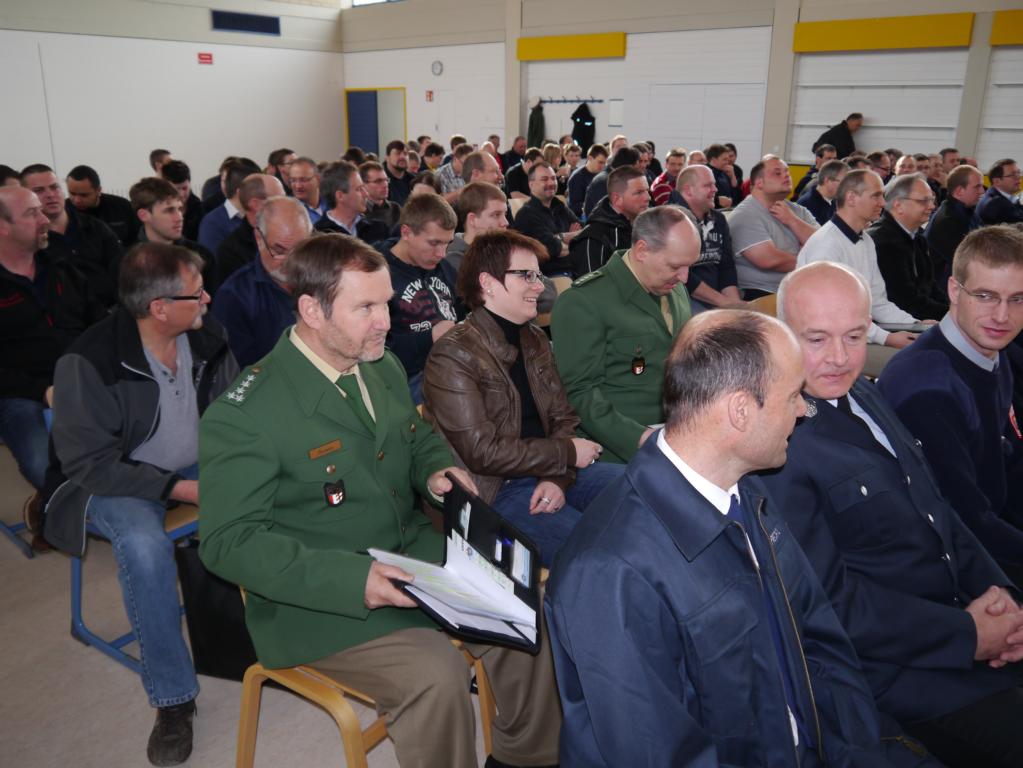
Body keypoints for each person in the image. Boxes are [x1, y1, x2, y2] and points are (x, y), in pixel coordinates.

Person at [198, 233, 562, 768]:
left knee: (527, 608)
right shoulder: (246, 414)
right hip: (320, 597)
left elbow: (416, 438)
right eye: (365, 308)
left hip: (407, 552)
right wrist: (354, 580)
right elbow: (228, 542)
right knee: (435, 676)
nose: (385, 322)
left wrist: (435, 469)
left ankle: (525, 759)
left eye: (386, 303)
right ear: (312, 311)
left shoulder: (379, 367)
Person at [548, 308, 903, 768]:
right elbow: (659, 755)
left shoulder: (747, 491)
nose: (803, 409)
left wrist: (858, 752)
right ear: (740, 411)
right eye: (793, 396)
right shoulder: (609, 571)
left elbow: (821, 640)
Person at [760, 260, 1023, 768]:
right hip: (900, 675)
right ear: (782, 333)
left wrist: (1003, 600)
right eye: (816, 339)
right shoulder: (778, 447)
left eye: (854, 336)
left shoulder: (863, 393)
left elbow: (938, 511)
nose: (839, 358)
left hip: (962, 623)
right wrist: (969, 636)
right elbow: (830, 604)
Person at [45, 242, 238, 766]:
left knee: (275, 491)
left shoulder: (208, 337)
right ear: (159, 307)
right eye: (196, 293)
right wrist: (181, 489)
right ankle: (174, 700)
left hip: (194, 466)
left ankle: (266, 634)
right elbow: (89, 464)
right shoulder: (88, 360)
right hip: (111, 481)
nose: (207, 299)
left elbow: (236, 414)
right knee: (146, 548)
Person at [424, 229, 623, 566]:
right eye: (526, 276)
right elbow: (483, 453)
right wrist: (565, 454)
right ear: (488, 283)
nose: (539, 286)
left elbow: (563, 417)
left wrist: (557, 476)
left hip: (551, 470)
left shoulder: (534, 338)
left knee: (647, 491)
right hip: (495, 490)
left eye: (538, 276)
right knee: (595, 555)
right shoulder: (452, 355)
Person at [880, 225, 1023, 587]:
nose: (1002, 316)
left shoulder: (990, 350)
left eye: (1018, 299)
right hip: (952, 564)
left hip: (991, 530)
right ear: (954, 291)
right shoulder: (928, 391)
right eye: (986, 296)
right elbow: (964, 522)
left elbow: (1008, 457)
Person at [551, 206, 699, 464]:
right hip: (620, 449)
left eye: (689, 266)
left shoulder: (674, 289)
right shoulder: (584, 302)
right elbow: (579, 393)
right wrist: (640, 438)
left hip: (680, 434)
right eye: (675, 266)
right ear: (642, 251)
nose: (684, 278)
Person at [0, 186, 105, 526]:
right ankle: (74, 509)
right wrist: (41, 391)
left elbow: (99, 325)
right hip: (19, 395)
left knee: (141, 432)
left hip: (80, 378)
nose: (45, 219)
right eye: (32, 213)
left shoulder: (62, 267)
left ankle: (64, 507)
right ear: (3, 226)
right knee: (41, 460)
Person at [798, 169, 926, 370]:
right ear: (851, 198)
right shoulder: (827, 246)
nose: (883, 203)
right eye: (876, 196)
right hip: (823, 345)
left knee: (927, 346)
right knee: (916, 361)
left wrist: (916, 325)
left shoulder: (865, 240)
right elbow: (834, 314)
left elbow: (878, 302)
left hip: (852, 335)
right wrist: (887, 338)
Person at [377, 194, 462, 402]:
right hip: (407, 376)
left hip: (451, 364)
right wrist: (429, 337)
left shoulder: (444, 268)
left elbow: (464, 311)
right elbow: (376, 351)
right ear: (406, 232)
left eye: (447, 243)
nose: (442, 253)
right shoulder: (377, 274)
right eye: (434, 243)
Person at [213, 196, 311, 367]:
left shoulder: (325, 278)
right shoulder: (234, 297)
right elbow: (239, 372)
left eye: (300, 250)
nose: (291, 261)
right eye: (279, 251)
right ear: (259, 239)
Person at [21, 163, 123, 307]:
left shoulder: (95, 227)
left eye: (54, 187)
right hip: (65, 316)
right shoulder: (29, 241)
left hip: (112, 308)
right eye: (39, 190)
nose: (50, 195)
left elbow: (122, 270)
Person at [729, 155, 818, 298]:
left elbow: (822, 244)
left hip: (801, 289)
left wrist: (792, 220)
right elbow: (770, 260)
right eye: (778, 173)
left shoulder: (798, 211)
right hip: (763, 294)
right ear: (759, 183)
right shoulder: (745, 215)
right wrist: (810, 256)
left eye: (787, 172)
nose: (786, 176)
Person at [868, 173, 948, 320]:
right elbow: (904, 300)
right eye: (924, 201)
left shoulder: (917, 237)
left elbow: (931, 286)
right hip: (900, 325)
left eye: (932, 199)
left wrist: (952, 310)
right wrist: (951, 316)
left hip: (921, 319)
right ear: (898, 205)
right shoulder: (884, 242)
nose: (932, 206)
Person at [672, 164, 744, 311]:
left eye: (714, 184)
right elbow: (681, 276)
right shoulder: (672, 220)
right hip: (681, 298)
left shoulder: (718, 220)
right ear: (688, 190)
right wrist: (723, 302)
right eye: (708, 185)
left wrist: (734, 305)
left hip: (716, 298)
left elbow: (726, 266)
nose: (715, 189)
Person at [129, 177, 216, 295]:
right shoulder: (129, 263)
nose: (179, 217)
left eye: (180, 209)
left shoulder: (202, 255)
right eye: (169, 210)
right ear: (143, 215)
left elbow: (211, 301)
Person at [568, 165, 649, 278]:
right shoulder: (593, 239)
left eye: (647, 191)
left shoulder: (644, 227)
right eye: (639, 192)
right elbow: (591, 286)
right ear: (617, 199)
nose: (647, 197)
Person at [511, 161, 581, 276]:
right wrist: (572, 240)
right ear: (531, 184)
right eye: (544, 179)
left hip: (575, 270)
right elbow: (556, 249)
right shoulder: (526, 215)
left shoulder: (559, 206)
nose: (551, 183)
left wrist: (560, 237)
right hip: (551, 277)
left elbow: (585, 233)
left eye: (553, 178)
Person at [215, 173, 285, 287]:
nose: (287, 204)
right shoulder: (230, 252)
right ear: (256, 205)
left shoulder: (292, 233)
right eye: (280, 199)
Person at [926, 164, 986, 288]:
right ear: (959, 191)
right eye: (977, 187)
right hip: (945, 290)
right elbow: (967, 261)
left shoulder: (966, 210)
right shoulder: (947, 221)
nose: (982, 191)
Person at [197, 157, 259, 255]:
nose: (226, 186)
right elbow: (214, 261)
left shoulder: (261, 214)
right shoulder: (212, 223)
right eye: (223, 180)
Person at [65, 164, 137, 248]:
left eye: (84, 195)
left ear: (98, 190)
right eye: (72, 194)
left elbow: (137, 240)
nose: (77, 200)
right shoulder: (62, 211)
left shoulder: (122, 206)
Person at [159, 160, 203, 242]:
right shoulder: (158, 210)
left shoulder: (199, 207)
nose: (181, 194)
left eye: (185, 188)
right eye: (176, 190)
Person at [797, 159, 848, 225]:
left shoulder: (832, 200)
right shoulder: (808, 205)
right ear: (827, 181)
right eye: (843, 182)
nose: (846, 186)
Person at [976, 159, 1023, 226]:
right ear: (997, 181)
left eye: (1018, 172)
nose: (1018, 177)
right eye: (1012, 175)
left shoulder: (1001, 196)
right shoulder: (995, 203)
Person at [566, 144, 608, 217]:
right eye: (600, 162)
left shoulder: (602, 175)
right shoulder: (577, 177)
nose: (603, 166)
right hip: (583, 217)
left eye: (604, 163)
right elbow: (574, 206)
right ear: (590, 158)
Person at [288, 156, 327, 224]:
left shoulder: (333, 204)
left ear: (318, 179)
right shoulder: (288, 211)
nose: (298, 186)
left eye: (303, 180)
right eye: (293, 180)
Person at [383, 140, 414, 207]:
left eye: (405, 154)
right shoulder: (380, 180)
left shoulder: (413, 180)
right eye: (398, 153)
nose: (402, 157)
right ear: (387, 158)